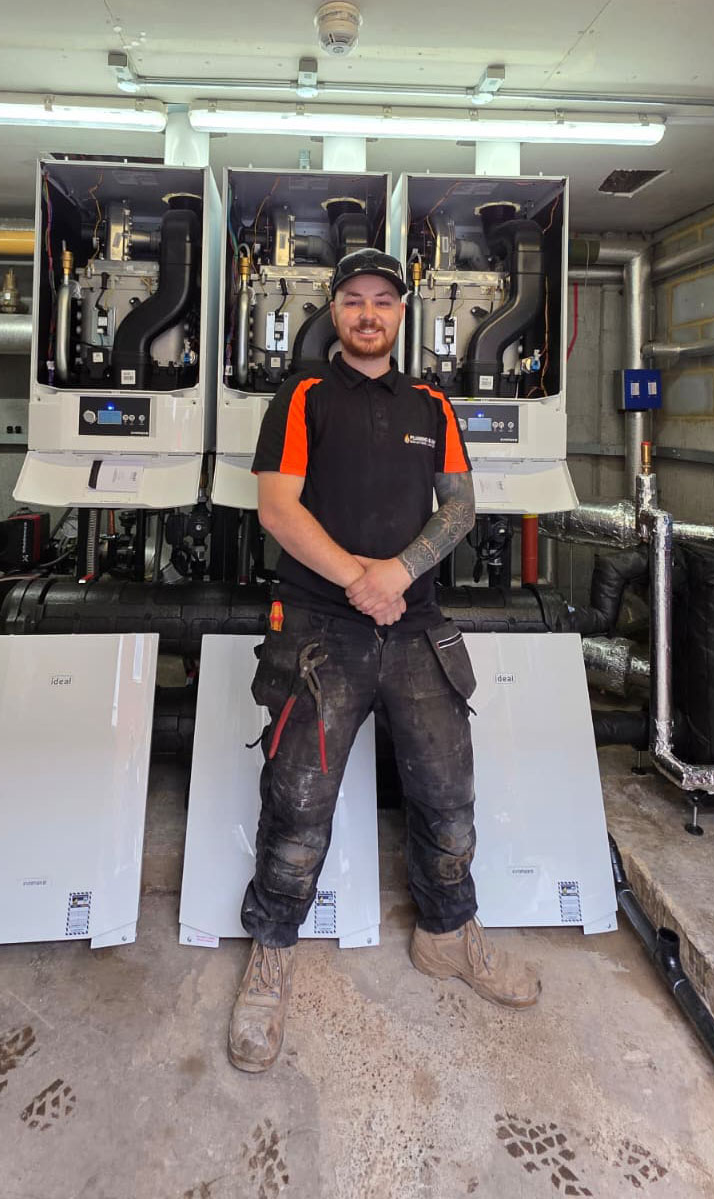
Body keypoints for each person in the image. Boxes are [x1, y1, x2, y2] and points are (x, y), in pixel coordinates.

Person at [228, 248, 540, 1074]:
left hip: (415, 626)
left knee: (449, 799)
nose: (369, 314)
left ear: (403, 315)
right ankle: (271, 951)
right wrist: (361, 582)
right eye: (354, 301)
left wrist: (398, 576)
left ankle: (446, 933)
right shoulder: (303, 397)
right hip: (322, 630)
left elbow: (462, 504)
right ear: (335, 311)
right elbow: (277, 506)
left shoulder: (432, 402)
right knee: (297, 806)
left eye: (383, 303)